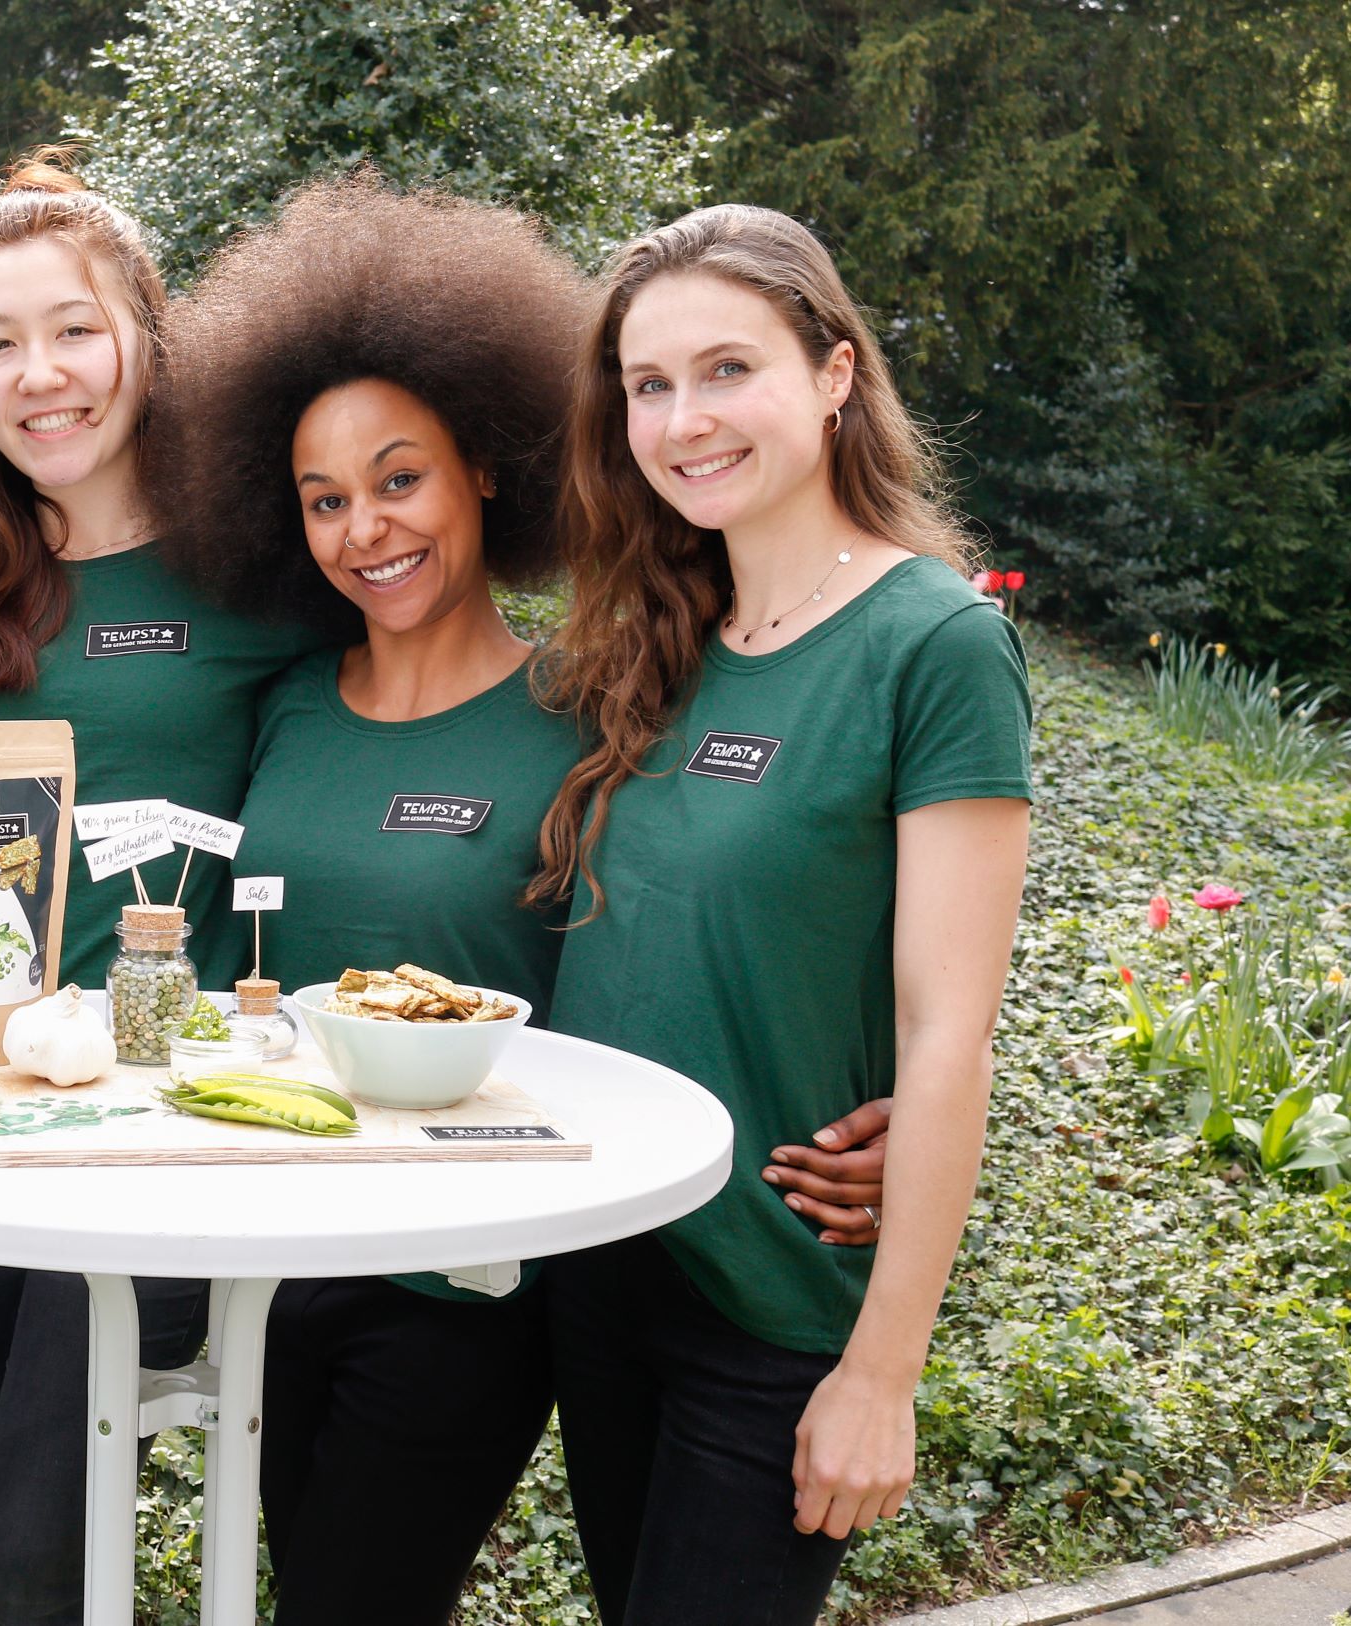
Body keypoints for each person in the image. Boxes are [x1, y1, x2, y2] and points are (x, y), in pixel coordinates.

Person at [156, 176, 896, 1625]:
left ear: (485, 469)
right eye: (323, 499)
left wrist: (890, 1118)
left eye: (399, 478)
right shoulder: (283, 702)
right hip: (272, 1256)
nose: (364, 528)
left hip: (468, 1283)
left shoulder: (601, 709)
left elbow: (740, 901)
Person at [529, 203, 1032, 1625]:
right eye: (648, 384)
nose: (683, 419)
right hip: (606, 1274)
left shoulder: (935, 645)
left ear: (832, 375)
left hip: (770, 1299)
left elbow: (948, 1032)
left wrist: (882, 1373)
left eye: (728, 369)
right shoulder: (650, 638)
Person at [0, 150, 328, 1626]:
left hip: (157, 1128)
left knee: (31, 1554)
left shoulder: (265, 569)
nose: (40, 375)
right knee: (20, 1516)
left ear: (146, 332)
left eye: (73, 328)